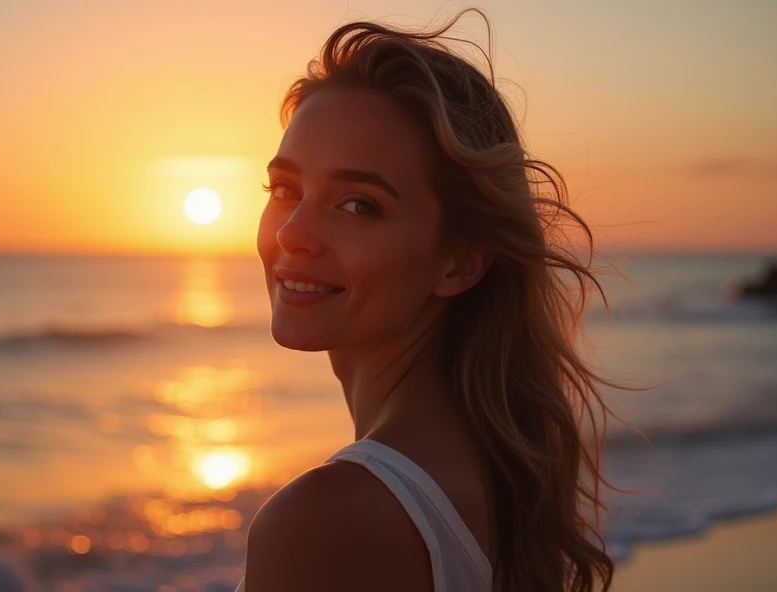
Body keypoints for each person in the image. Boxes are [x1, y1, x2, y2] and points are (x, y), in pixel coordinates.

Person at [237, 8, 622, 592]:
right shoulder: (489, 467)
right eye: (286, 189)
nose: (292, 233)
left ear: (461, 261)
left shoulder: (325, 520)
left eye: (358, 204)